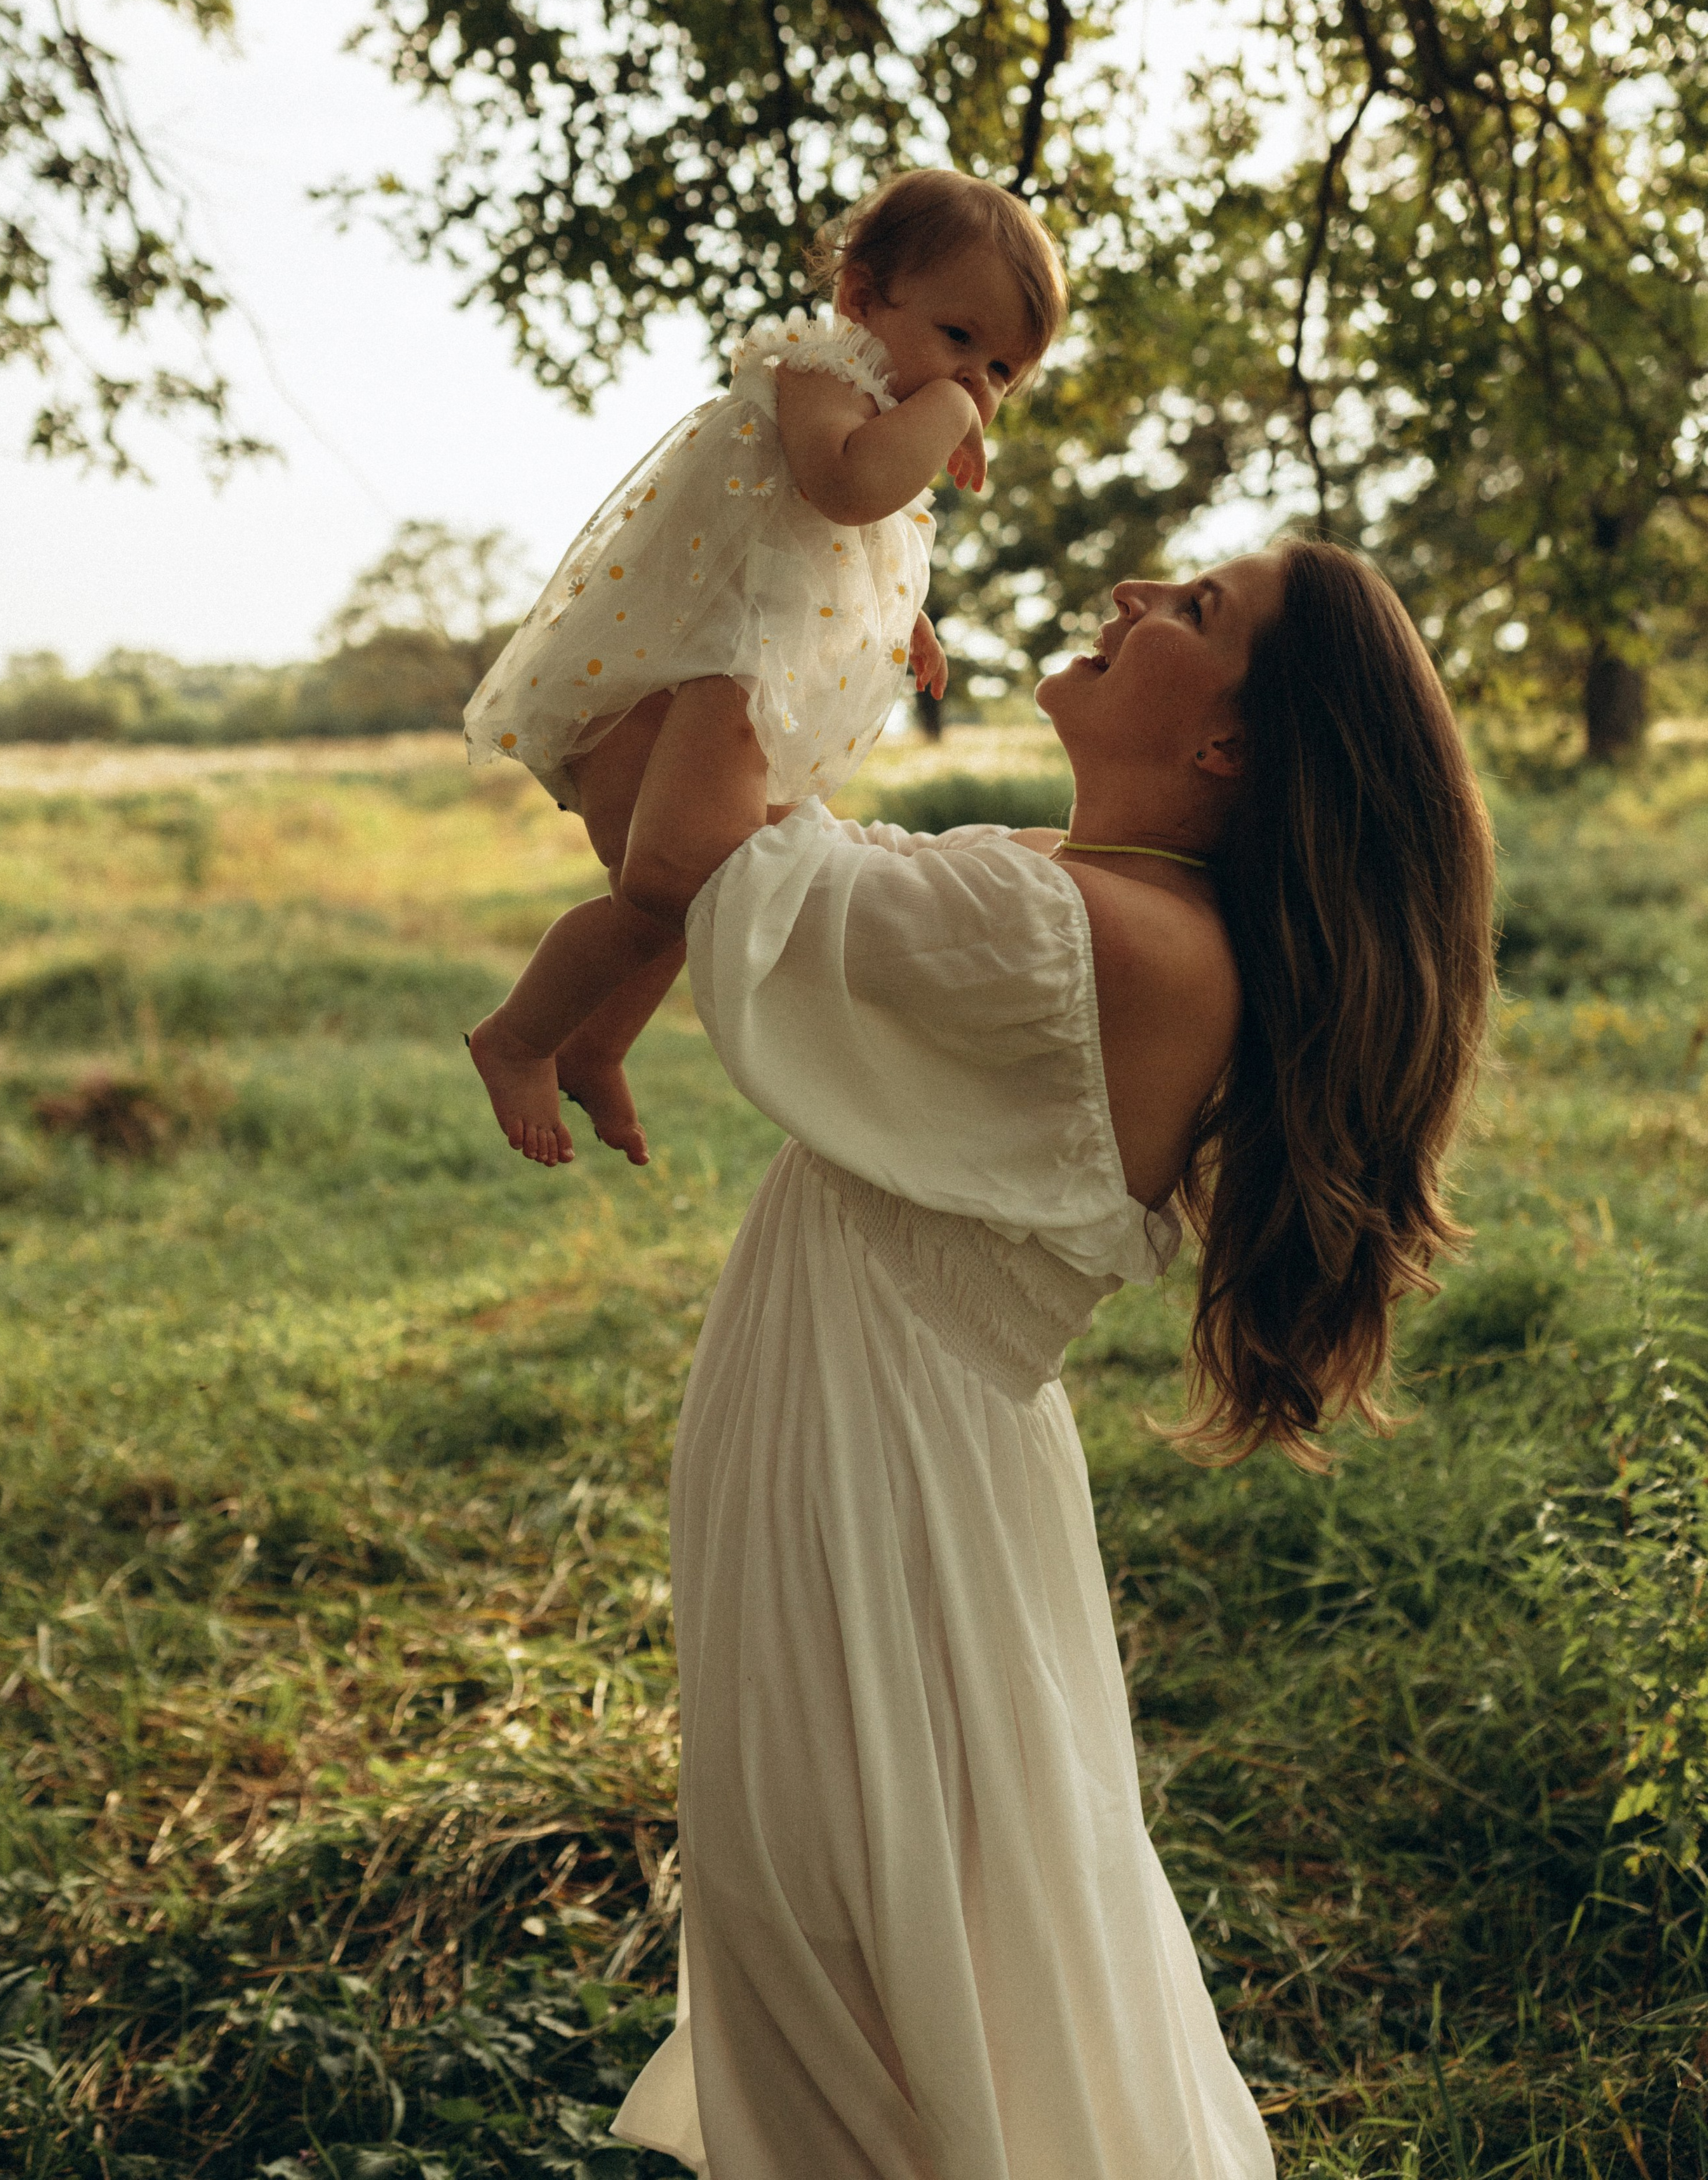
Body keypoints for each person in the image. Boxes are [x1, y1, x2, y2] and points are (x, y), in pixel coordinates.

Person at [474, 537, 1496, 2177]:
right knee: (905, 1927)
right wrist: (817, 632)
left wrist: (787, 573)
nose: (1135, 597)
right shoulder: (1080, 892)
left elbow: (663, 836)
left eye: (1196, 613)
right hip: (887, 1467)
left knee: (862, 1940)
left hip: (879, 1506)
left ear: (1230, 745)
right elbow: (717, 831)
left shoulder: (1083, 938)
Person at [462, 169, 1067, 1169]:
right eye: (960, 340)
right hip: (710, 669)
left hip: (741, 676)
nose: (975, 383)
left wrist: (904, 620)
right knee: (674, 882)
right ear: (862, 299)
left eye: (1004, 369)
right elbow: (843, 491)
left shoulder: (889, 410)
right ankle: (518, 1036)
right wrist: (955, 414)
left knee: (687, 891)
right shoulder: (821, 373)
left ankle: (598, 1041)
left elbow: (847, 555)